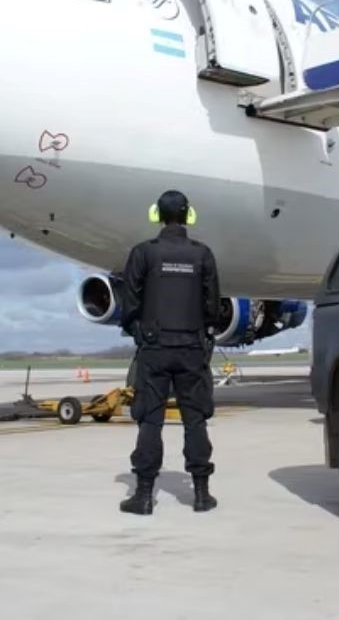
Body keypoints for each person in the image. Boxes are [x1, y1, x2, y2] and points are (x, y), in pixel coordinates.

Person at [118, 190, 221, 515]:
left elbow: (130, 301)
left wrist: (137, 331)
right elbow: (213, 305)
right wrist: (204, 333)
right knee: (195, 420)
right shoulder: (202, 254)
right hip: (191, 348)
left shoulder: (143, 253)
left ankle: (144, 495)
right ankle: (202, 495)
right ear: (189, 215)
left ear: (156, 215)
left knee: (150, 420)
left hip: (155, 348)